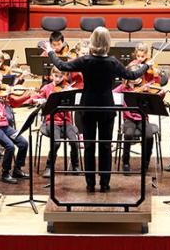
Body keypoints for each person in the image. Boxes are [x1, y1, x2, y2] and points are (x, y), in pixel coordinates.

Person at [43, 26, 150, 193]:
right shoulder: (113, 62)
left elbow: (61, 66)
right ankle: (105, 184)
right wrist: (146, 65)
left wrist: (50, 51)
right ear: (108, 42)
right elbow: (132, 76)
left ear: (92, 42)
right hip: (107, 107)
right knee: (106, 146)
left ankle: (90, 183)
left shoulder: (85, 60)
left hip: (88, 107)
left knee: (89, 146)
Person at [0, 69, 30, 184]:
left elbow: (14, 103)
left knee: (23, 143)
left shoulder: (1, 93)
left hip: (5, 126)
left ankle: (17, 169)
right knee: (10, 146)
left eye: (1, 81)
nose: (0, 83)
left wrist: (25, 96)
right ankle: (5, 172)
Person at [113, 65, 163, 174]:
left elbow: (155, 100)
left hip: (142, 117)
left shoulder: (145, 87)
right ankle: (125, 162)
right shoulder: (123, 87)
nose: (136, 78)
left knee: (149, 136)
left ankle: (145, 163)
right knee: (128, 134)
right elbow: (113, 94)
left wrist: (160, 94)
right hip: (129, 119)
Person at [33, 66, 79, 178]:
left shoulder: (67, 88)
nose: (58, 79)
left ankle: (75, 165)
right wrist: (39, 100)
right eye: (56, 76)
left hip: (66, 121)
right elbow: (35, 98)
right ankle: (49, 166)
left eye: (61, 76)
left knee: (74, 141)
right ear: (51, 75)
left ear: (64, 76)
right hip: (51, 121)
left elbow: (75, 103)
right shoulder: (47, 88)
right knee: (56, 142)